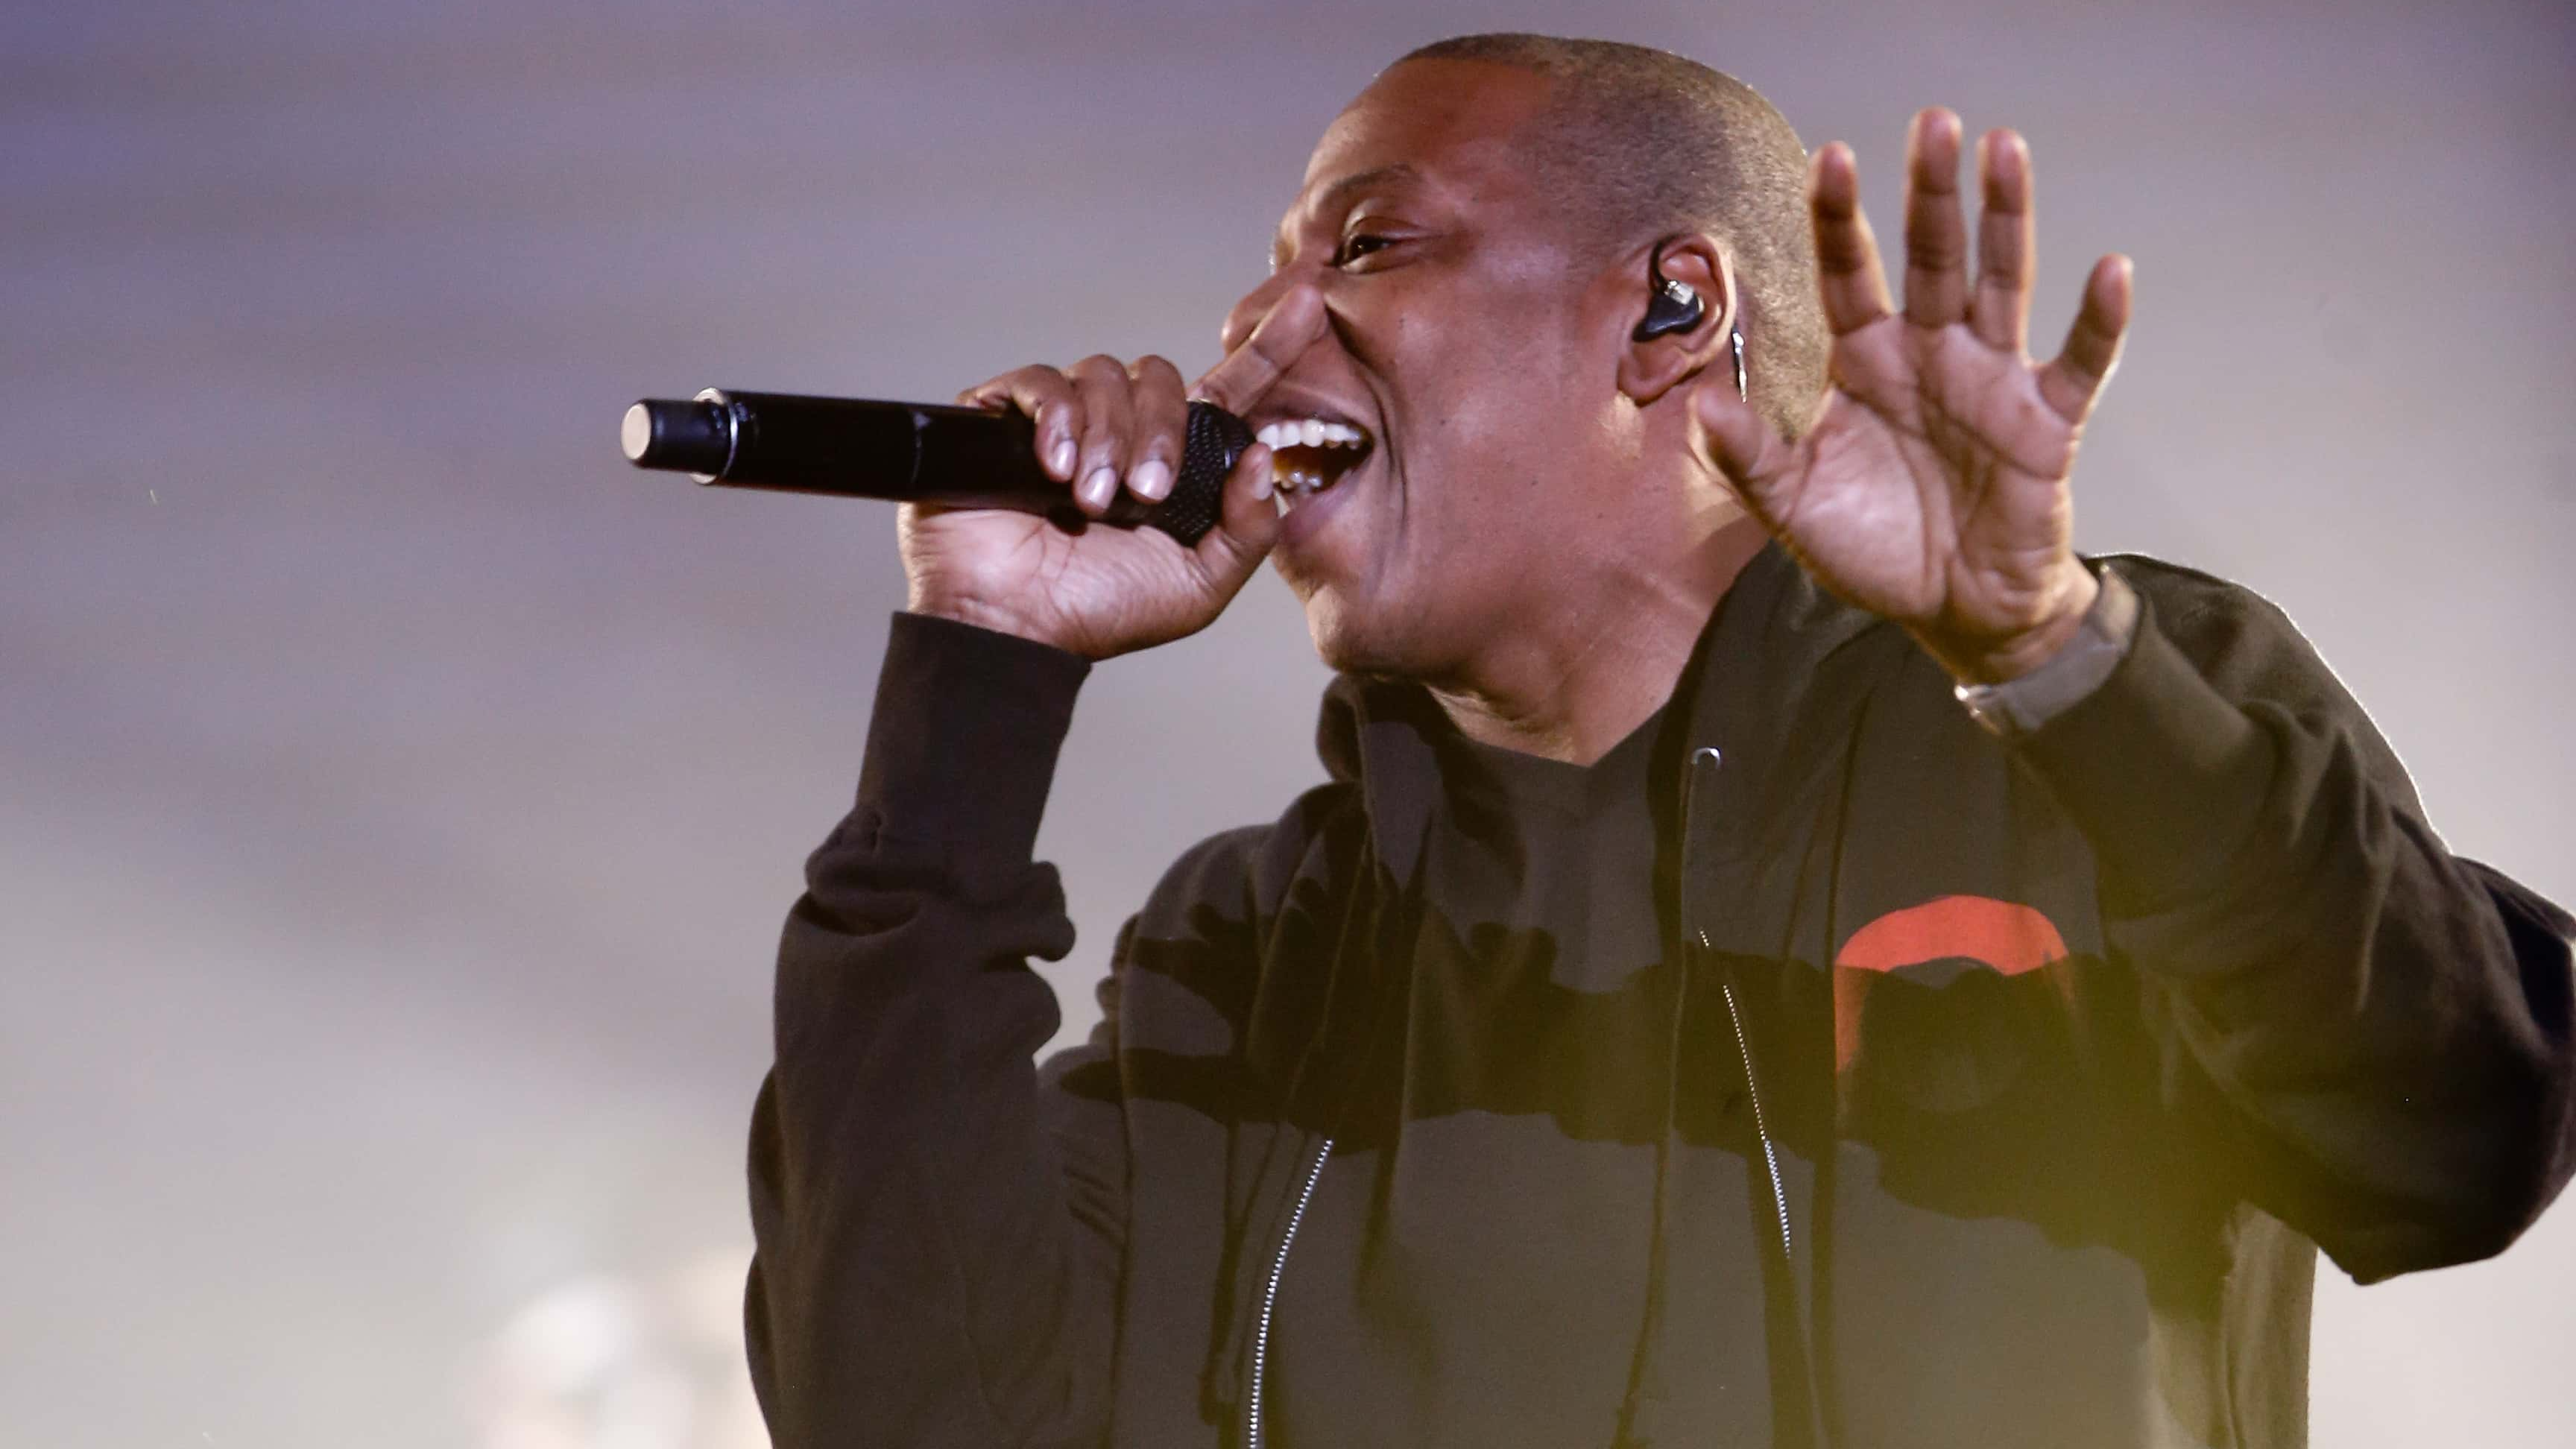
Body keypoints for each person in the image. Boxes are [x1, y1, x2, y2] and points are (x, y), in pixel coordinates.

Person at [741, 34, 2575, 1449]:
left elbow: (2460, 1140)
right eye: (1261, 283)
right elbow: (909, 1412)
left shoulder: (2087, 739)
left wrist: (2059, 667)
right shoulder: (1252, 948)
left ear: (1671, 312)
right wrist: (979, 676)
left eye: (1367, 245)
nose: (1247, 340)